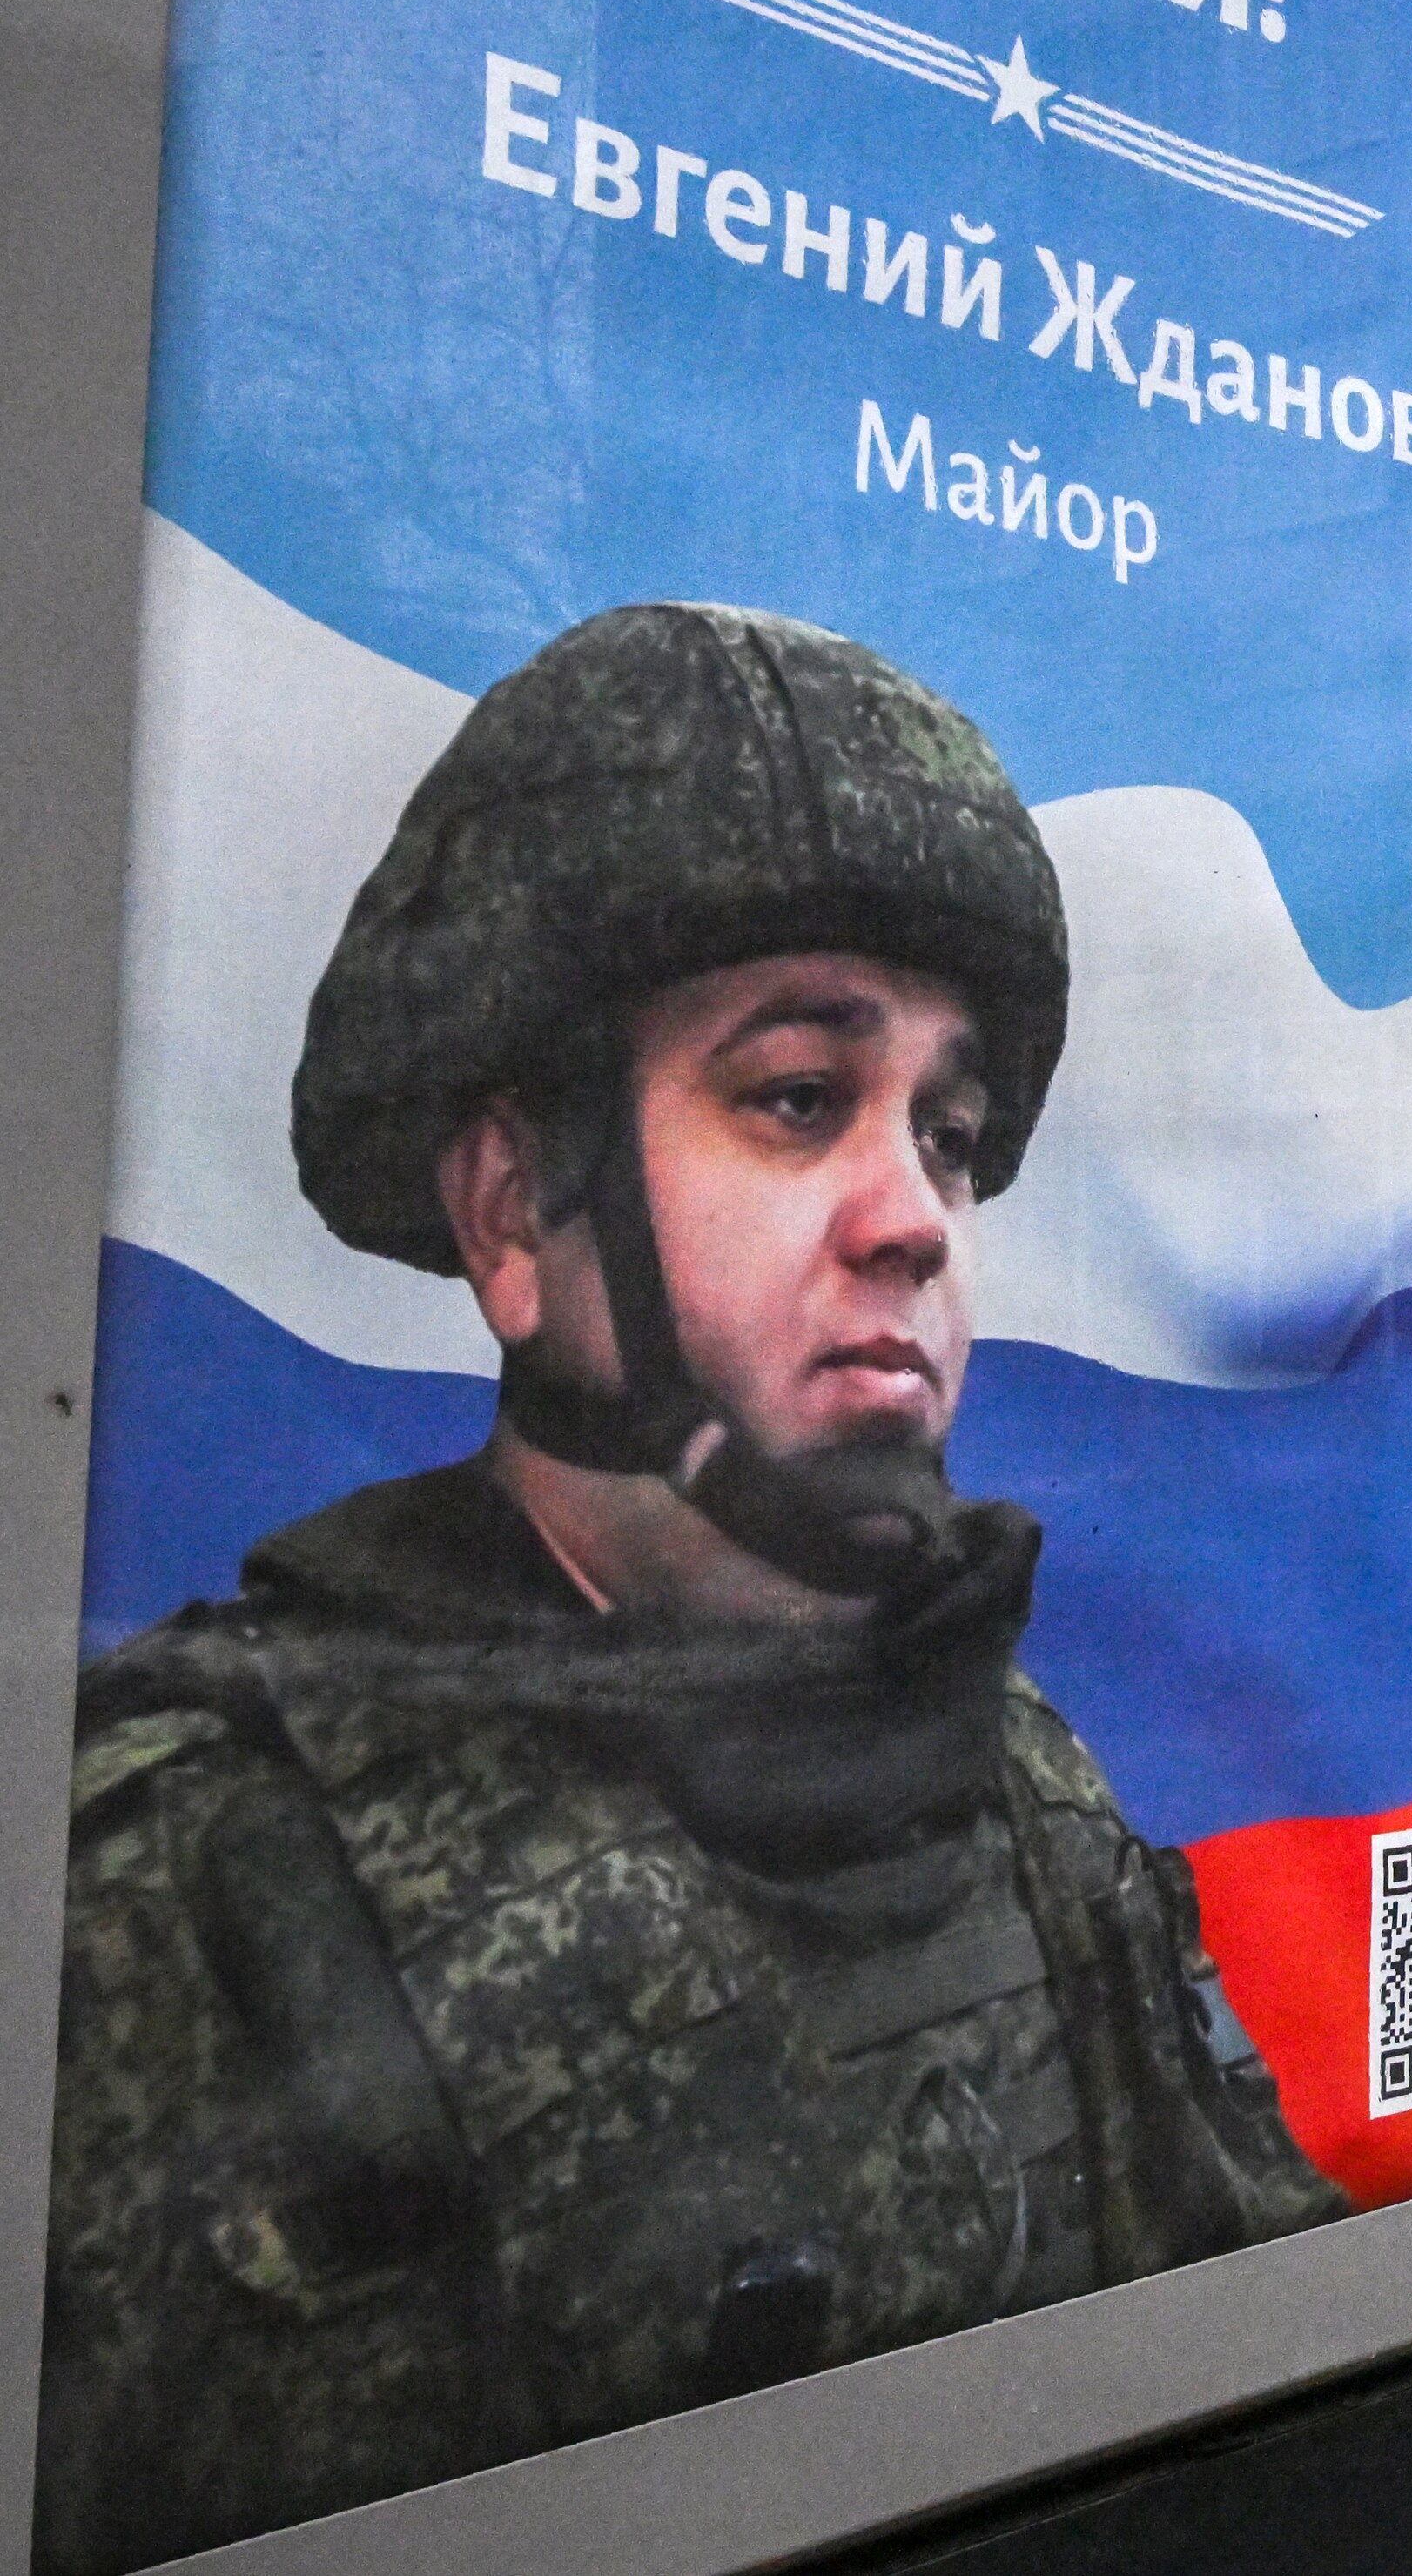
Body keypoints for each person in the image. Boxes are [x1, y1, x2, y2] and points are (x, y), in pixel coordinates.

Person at [38, 603, 1346, 2576]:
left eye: (949, 1133)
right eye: (800, 1097)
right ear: (513, 1214)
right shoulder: (169, 1885)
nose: (915, 1217)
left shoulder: (1020, 1786)